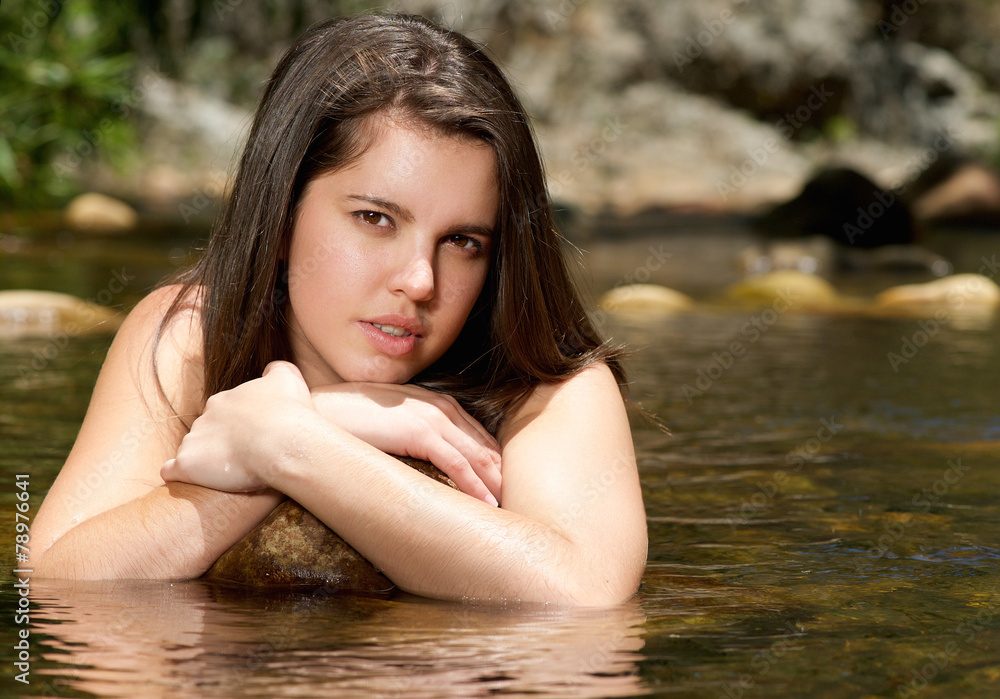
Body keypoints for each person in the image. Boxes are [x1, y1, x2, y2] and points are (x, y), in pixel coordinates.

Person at [28, 13, 647, 606]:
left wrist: (290, 444)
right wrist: (318, 425)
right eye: (375, 219)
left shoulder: (550, 387)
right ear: (281, 212)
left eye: (463, 242)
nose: (420, 281)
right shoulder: (191, 334)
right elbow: (57, 579)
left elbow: (580, 596)